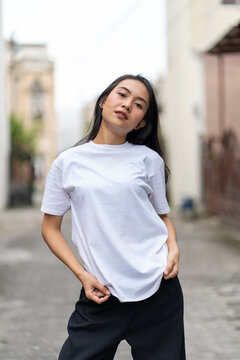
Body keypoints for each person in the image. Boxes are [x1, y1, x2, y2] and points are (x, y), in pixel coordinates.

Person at [41, 74, 186, 360]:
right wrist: (82, 275)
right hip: (102, 293)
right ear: (103, 101)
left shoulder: (149, 160)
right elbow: (50, 228)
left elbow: (162, 217)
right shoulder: (68, 163)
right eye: (122, 94)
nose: (127, 104)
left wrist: (174, 248)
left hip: (158, 291)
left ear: (141, 121)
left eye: (139, 104)